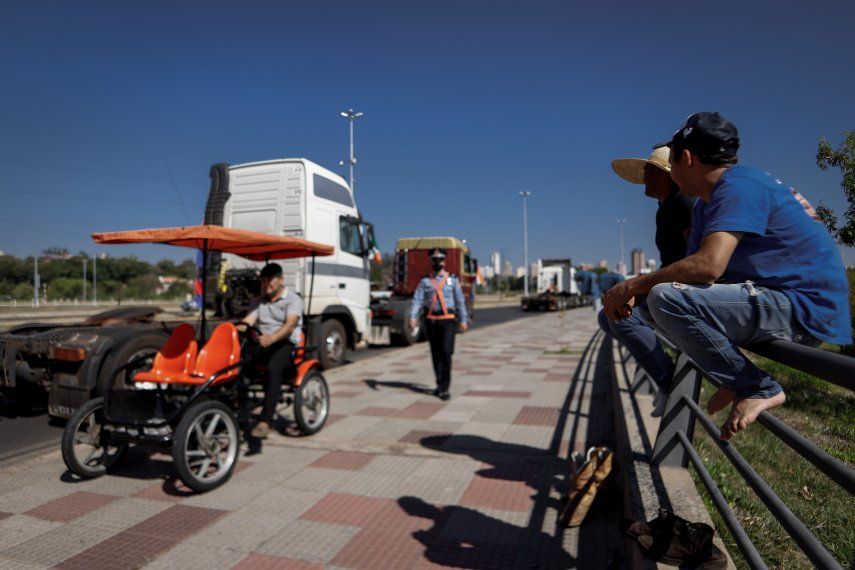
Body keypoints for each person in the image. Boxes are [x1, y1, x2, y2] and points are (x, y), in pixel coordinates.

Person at [604, 112, 851, 441]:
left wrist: (633, 285)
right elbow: (695, 276)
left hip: (806, 309)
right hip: (772, 299)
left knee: (664, 298)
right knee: (652, 303)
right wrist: (635, 297)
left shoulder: (739, 187)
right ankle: (731, 377)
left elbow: (709, 266)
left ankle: (757, 386)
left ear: (686, 160)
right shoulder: (707, 206)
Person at [599, 147, 696, 416]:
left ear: (665, 175)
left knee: (623, 318)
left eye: (649, 171)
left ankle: (667, 382)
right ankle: (664, 372)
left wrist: (638, 290)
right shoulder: (663, 210)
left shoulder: (684, 204)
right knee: (608, 315)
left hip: (684, 294)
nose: (644, 176)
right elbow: (669, 265)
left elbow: (692, 262)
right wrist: (633, 294)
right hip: (668, 289)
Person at [240, 262, 304, 438]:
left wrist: (272, 338)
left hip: (285, 343)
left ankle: (265, 420)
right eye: (264, 280)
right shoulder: (258, 302)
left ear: (281, 280)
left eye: (270, 280)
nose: (266, 284)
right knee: (237, 364)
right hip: (262, 343)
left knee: (273, 369)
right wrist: (229, 330)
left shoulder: (293, 299)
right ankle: (238, 408)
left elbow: (290, 325)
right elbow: (247, 322)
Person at [409, 248, 469, 400]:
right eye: (434, 260)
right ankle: (439, 385)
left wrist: (463, 319)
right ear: (430, 261)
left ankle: (445, 387)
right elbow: (417, 300)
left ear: (445, 261)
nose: (437, 262)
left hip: (447, 321)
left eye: (440, 259)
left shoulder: (452, 280)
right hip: (431, 321)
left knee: (446, 353)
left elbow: (460, 300)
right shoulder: (425, 281)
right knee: (435, 354)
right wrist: (413, 317)